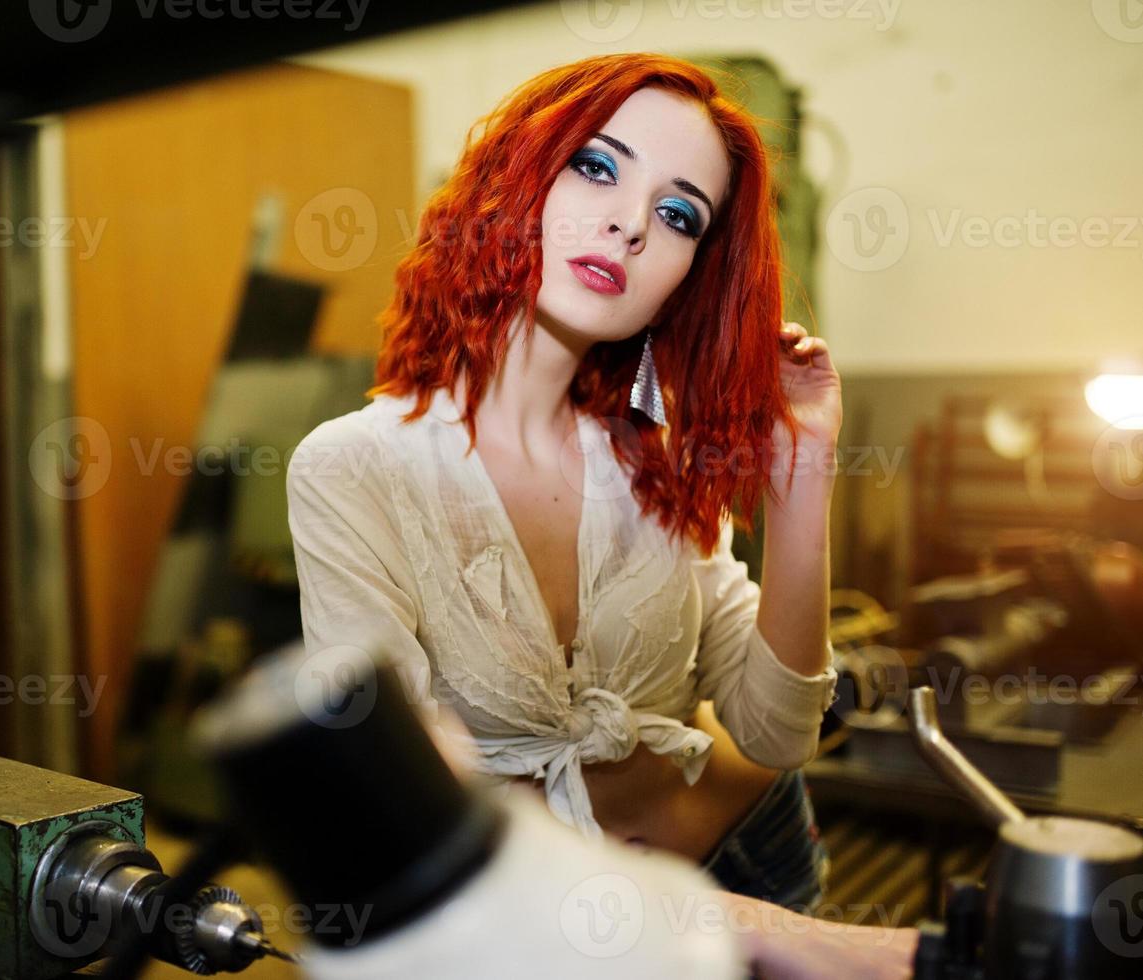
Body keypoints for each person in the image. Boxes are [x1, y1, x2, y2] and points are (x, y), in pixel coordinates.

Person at [285, 53, 916, 975]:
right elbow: (404, 810)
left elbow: (777, 734)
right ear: (515, 179)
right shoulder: (352, 469)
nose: (628, 224)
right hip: (563, 927)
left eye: (676, 215)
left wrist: (805, 467)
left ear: (685, 274)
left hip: (756, 852)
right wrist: (786, 937)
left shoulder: (653, 464)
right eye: (595, 164)